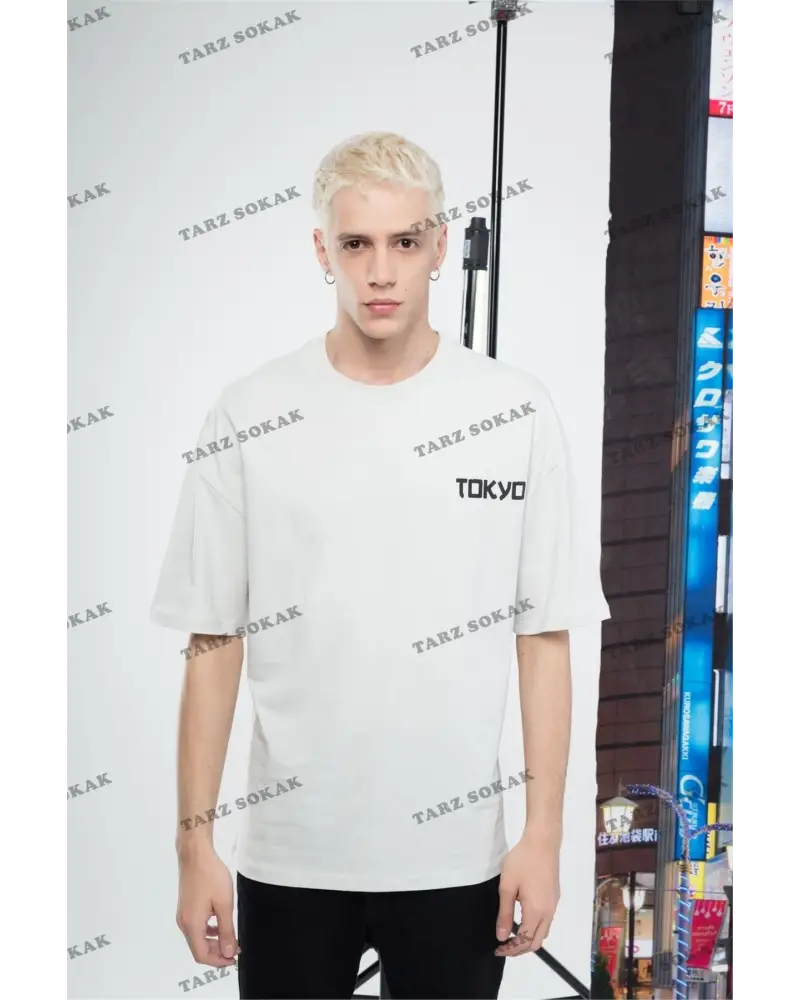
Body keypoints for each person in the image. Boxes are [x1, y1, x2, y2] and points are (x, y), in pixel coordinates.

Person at [151, 131, 609, 1000]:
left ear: (440, 245)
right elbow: (213, 642)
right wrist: (193, 846)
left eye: (406, 241)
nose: (382, 271)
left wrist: (543, 835)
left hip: (456, 861)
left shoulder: (515, 412)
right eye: (357, 244)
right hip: (290, 858)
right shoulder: (250, 414)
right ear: (322, 250)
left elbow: (544, 636)